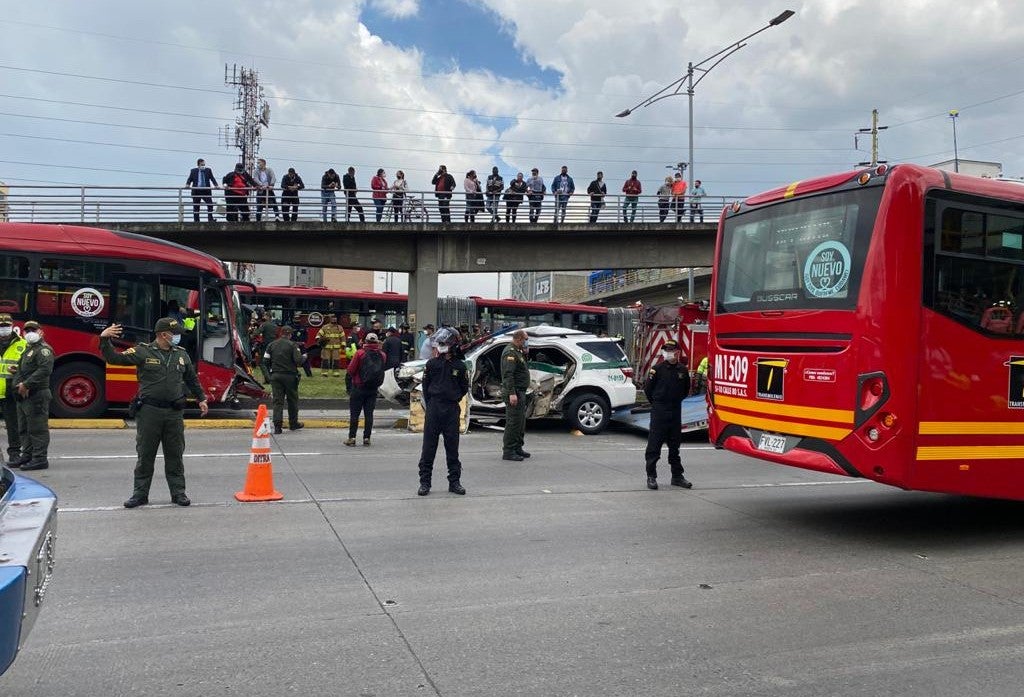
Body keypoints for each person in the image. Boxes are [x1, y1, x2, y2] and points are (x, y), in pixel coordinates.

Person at [100, 318, 209, 507]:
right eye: (174, 334)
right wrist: (104, 339)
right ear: (162, 334)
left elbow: (191, 378)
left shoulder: (181, 355)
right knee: (145, 454)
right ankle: (140, 494)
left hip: (174, 412)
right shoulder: (143, 351)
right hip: (150, 412)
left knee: (175, 455)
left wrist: (201, 398)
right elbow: (115, 358)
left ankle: (178, 493)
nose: (177, 337)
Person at [416, 327, 469, 496]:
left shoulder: (460, 366)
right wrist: (433, 403)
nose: (440, 346)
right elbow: (425, 387)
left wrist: (452, 398)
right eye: (440, 343)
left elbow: (463, 388)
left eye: (444, 343)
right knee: (428, 448)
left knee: (452, 448)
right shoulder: (431, 364)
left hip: (451, 409)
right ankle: (425, 483)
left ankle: (454, 482)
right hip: (434, 408)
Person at [643, 339, 692, 490]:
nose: (667, 353)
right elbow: (648, 390)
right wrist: (658, 404)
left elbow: (685, 390)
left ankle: (677, 476)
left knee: (674, 446)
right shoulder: (656, 369)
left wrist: (674, 402)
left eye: (670, 350)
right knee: (654, 446)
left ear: (677, 352)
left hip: (675, 410)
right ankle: (651, 476)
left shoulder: (682, 370)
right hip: (659, 410)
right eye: (666, 350)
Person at [11, 321, 54, 472]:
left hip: (36, 395)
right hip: (24, 396)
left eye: (33, 329)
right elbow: (29, 368)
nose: (29, 332)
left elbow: (44, 370)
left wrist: (26, 384)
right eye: (26, 330)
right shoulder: (29, 349)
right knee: (24, 427)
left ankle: (40, 458)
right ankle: (27, 455)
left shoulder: (44, 350)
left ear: (40, 331)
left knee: (37, 428)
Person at [345, 333, 386, 446]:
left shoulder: (360, 353)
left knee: (355, 414)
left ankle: (352, 438)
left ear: (365, 342)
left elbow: (351, 370)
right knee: (369, 414)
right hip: (373, 389)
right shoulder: (382, 355)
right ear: (377, 342)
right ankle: (366, 438)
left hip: (358, 387)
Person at [264, 327, 305, 434]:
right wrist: (304, 357)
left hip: (276, 376)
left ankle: (277, 426)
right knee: (292, 400)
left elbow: (265, 360)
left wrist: (271, 372)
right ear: (290, 335)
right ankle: (293, 423)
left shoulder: (271, 345)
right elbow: (298, 361)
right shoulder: (293, 345)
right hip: (290, 377)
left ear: (281, 333)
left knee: (278, 401)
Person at [0, 315, 27, 467]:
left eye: (6, 325)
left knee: (13, 424)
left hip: (10, 392)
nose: (3, 329)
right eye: (1, 325)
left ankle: (15, 453)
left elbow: (29, 367)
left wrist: (18, 370)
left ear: (12, 326)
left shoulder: (22, 345)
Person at [500, 329, 530, 461]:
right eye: (525, 340)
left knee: (520, 422)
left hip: (520, 391)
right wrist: (512, 393)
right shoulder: (510, 353)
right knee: (513, 422)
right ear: (518, 339)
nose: (526, 342)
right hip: (515, 392)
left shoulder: (518, 351)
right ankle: (508, 451)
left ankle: (517, 447)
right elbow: (508, 375)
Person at [185, 158, 219, 222]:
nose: (203, 166)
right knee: (196, 207)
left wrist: (216, 185)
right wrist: (187, 184)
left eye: (204, 164)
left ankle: (210, 219)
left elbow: (212, 178)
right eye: (202, 165)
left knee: (210, 204)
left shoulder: (208, 170)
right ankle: (196, 221)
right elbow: (190, 179)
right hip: (196, 191)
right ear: (198, 165)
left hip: (206, 191)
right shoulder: (193, 171)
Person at [257, 313, 280, 383]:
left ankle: (268, 379)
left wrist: (251, 334)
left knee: (262, 362)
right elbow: (277, 335)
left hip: (265, 346)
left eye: (264, 316)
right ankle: (268, 379)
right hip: (273, 346)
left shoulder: (264, 324)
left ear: (267, 317)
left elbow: (257, 332)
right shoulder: (275, 325)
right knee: (269, 362)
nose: (263, 317)